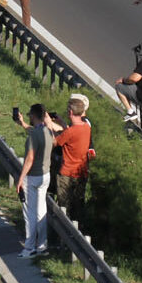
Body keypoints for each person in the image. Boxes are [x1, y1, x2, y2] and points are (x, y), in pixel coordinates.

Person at [47, 94, 93, 223]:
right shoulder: (86, 127)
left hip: (67, 173)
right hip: (81, 172)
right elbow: (71, 136)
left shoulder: (70, 132)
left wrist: (49, 126)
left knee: (64, 205)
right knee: (78, 204)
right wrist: (61, 123)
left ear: (70, 112)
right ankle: (79, 228)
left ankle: (63, 235)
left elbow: (55, 142)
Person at [16, 103, 53, 258]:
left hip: (32, 177)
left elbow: (29, 159)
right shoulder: (48, 131)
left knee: (29, 213)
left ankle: (29, 247)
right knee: (41, 211)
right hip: (45, 175)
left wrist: (21, 179)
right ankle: (42, 246)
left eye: (29, 115)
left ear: (33, 115)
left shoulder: (33, 136)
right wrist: (22, 124)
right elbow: (35, 133)